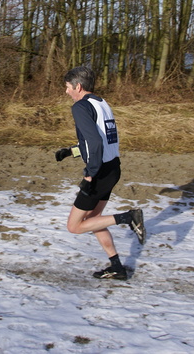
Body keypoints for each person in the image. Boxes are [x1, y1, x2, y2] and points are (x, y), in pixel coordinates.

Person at [56, 66, 145, 280]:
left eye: (68, 87)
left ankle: (128, 217)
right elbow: (102, 140)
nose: (66, 92)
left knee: (74, 226)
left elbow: (95, 143)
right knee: (95, 219)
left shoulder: (80, 107)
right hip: (113, 168)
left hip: (99, 173)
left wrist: (89, 174)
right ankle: (116, 267)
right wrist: (72, 151)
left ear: (78, 86)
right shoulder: (101, 103)